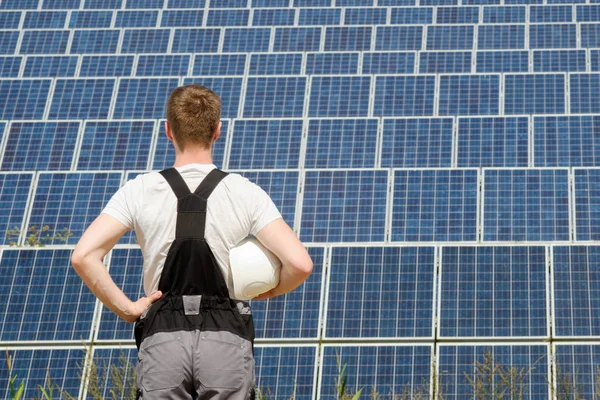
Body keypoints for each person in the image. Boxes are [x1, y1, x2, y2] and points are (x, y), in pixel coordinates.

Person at [72, 84, 313, 399]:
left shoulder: (139, 190)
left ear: (168, 131)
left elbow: (84, 256)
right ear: (217, 130)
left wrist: (129, 309)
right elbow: (300, 264)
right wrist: (269, 289)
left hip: (162, 338)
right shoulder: (245, 192)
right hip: (226, 336)